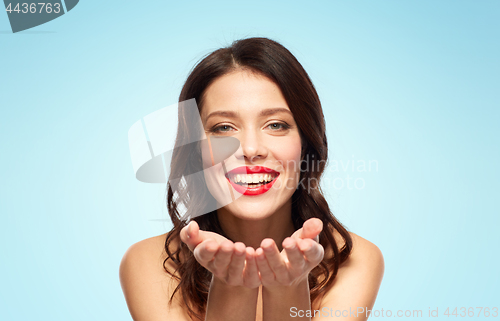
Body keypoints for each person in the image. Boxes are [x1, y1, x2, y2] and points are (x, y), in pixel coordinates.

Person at [119, 37, 384, 321]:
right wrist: (231, 288)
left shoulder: (356, 261)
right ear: (196, 150)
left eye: (276, 125)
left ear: (306, 143)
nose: (250, 149)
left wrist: (287, 289)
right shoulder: (148, 263)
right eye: (223, 127)